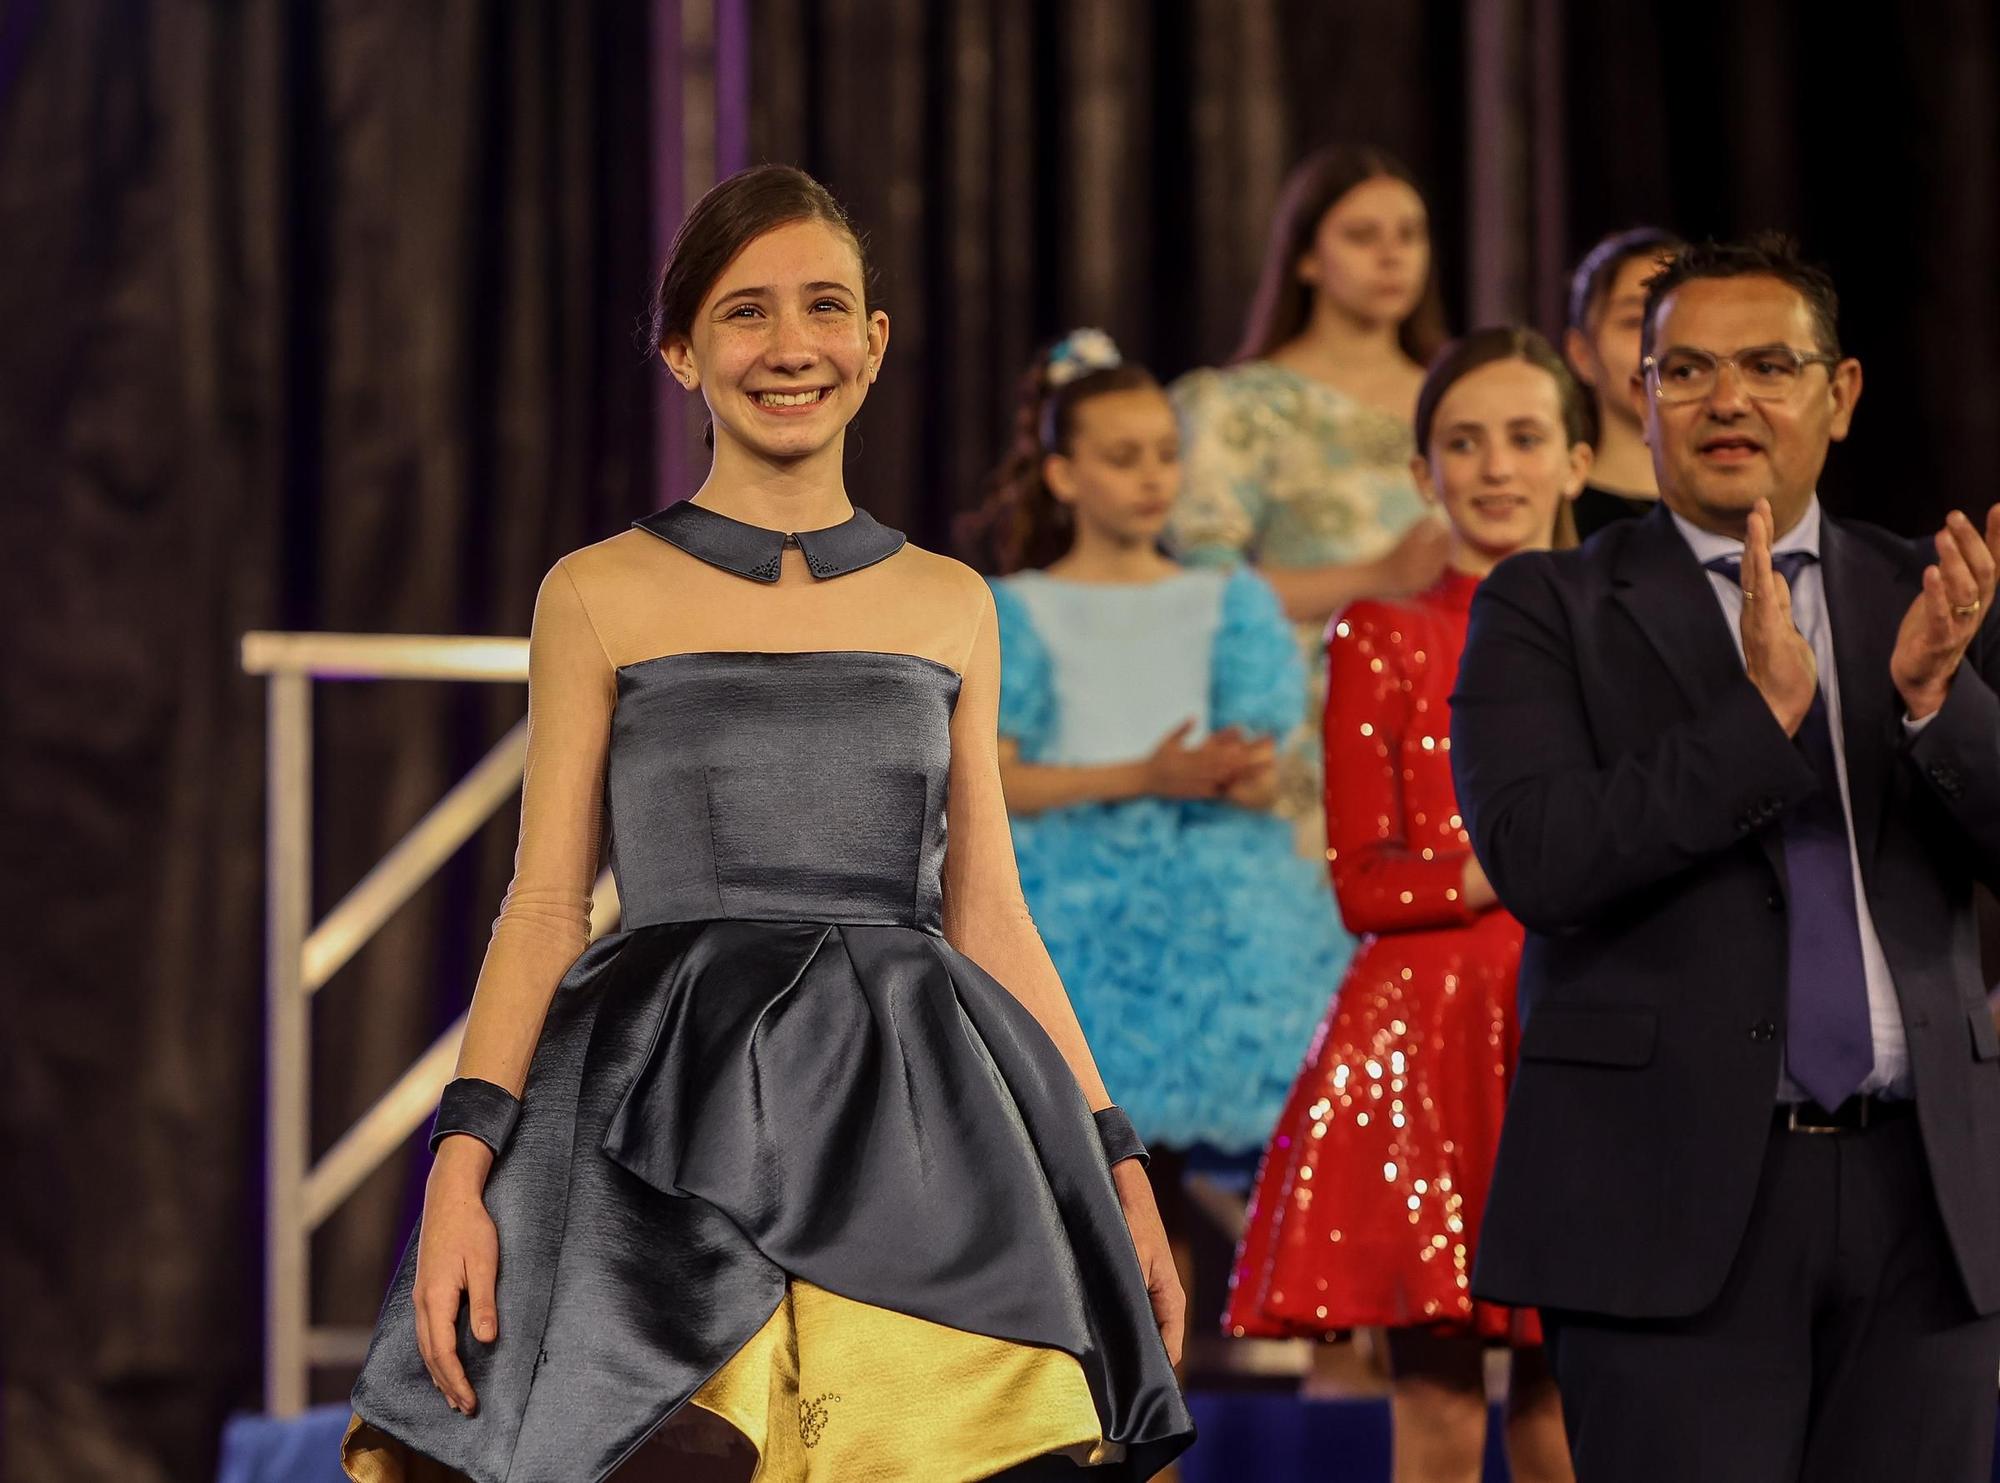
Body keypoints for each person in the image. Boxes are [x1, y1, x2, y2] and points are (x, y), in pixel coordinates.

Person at [339, 165, 1194, 1483]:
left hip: (908, 1118)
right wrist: (463, 1167)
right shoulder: (597, 590)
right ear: (682, 349)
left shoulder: (949, 600)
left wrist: (1113, 1155)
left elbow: (989, 911)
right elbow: (546, 901)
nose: (792, 345)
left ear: (875, 341)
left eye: (825, 307)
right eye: (745, 312)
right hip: (659, 1121)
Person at [1451, 234, 2000, 1482]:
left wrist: (1933, 704)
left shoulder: (1932, 595)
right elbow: (1540, 859)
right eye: (1684, 369)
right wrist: (1751, 728)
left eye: (1766, 364)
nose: (1726, 399)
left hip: (1929, 1195)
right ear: (1635, 399)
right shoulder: (1545, 606)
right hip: (1663, 1199)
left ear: (1839, 393)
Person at [1226, 328, 1587, 1483]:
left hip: (1578, 1029)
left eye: (1523, 438)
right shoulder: (1379, 631)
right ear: (1421, 471)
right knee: (1433, 1409)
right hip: (1424, 1043)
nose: (1493, 468)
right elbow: (1363, 882)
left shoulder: (1619, 630)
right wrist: (1512, 864)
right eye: (1461, 443)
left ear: (1577, 459)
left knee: (1564, 1403)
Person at [970, 330, 1356, 1356]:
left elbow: (1271, 747)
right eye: (1121, 455)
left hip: (1222, 927)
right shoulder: (1016, 605)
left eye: (1162, 453)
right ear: (1062, 471)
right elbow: (996, 775)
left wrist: (1238, 769)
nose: (1151, 477)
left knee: (1225, 1195)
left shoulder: (1225, 595)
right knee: (1108, 1202)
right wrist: (1142, 774)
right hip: (1079, 927)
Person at [1167, 144, 1453, 857]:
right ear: (1305, 259)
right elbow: (1202, 591)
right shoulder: (1240, 406)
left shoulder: (1463, 398)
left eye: (1408, 235)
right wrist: (1374, 580)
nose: (1391, 256)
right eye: (1362, 236)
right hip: (1308, 728)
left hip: (1453, 709)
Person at [1561, 227, 1684, 540]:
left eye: (1679, 317)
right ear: (1582, 354)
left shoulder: (1741, 508)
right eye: (1634, 321)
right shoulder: (1557, 515)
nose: (1661, 340)